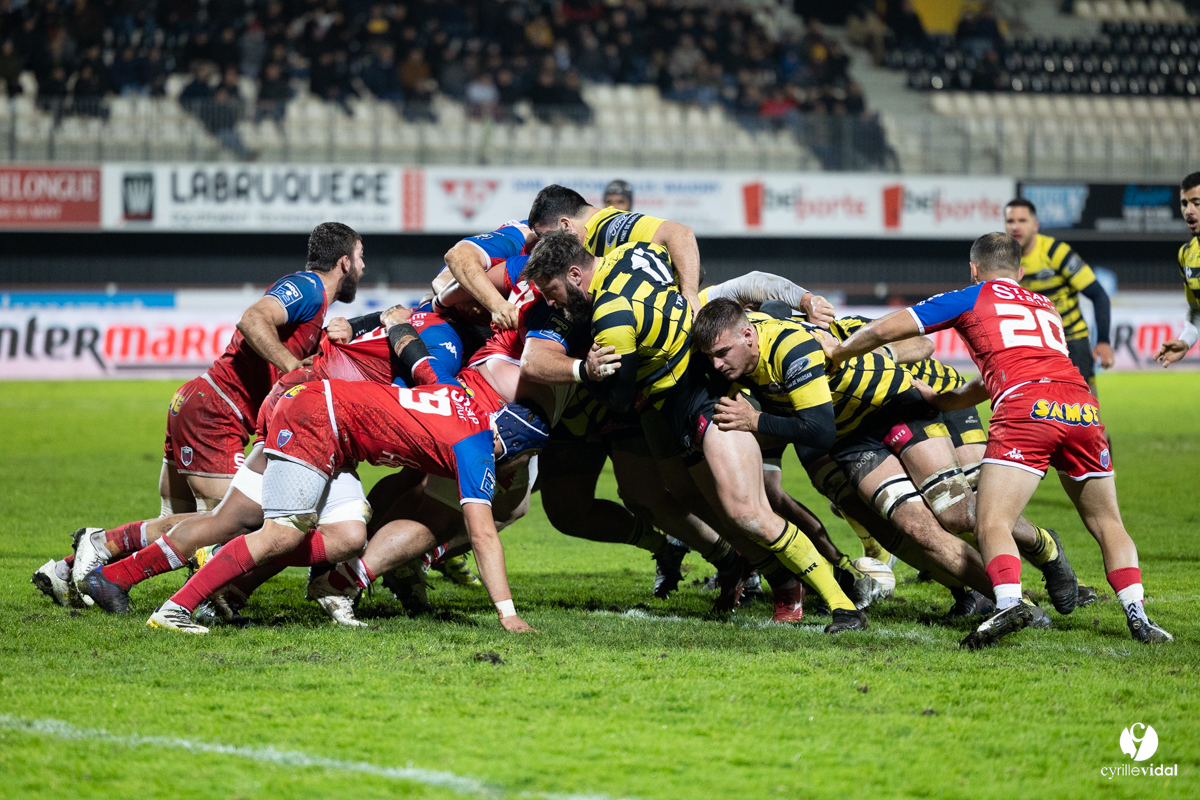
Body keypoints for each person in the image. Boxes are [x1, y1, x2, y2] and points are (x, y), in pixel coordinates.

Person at [823, 232, 1173, 647]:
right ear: (1021, 272)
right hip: (1082, 407)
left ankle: (1009, 602)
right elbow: (1004, 370)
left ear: (974, 270)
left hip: (1027, 409)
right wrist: (948, 400)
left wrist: (839, 353)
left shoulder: (971, 296)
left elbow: (886, 329)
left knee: (991, 521)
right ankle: (1139, 615)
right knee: (1107, 522)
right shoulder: (1047, 307)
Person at [524, 230, 867, 632]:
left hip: (703, 396)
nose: (551, 302)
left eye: (551, 291)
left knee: (748, 511)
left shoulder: (612, 314)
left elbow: (618, 400)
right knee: (693, 497)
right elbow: (675, 236)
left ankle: (841, 602)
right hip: (674, 402)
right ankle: (782, 578)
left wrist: (592, 372)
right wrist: (687, 294)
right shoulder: (634, 252)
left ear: (575, 274)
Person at [145, 335, 548, 635]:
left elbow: (420, 358)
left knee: (348, 536)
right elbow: (482, 535)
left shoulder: (456, 392)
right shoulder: (478, 451)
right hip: (317, 420)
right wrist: (507, 612)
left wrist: (397, 326)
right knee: (278, 535)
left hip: (323, 413)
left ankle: (213, 586)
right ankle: (179, 605)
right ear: (511, 447)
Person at [49, 223, 363, 604]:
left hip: (201, 402)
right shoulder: (310, 287)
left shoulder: (317, 306)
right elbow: (252, 320)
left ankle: (65, 570)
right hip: (216, 411)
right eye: (361, 258)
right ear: (344, 262)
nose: (363, 268)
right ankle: (101, 544)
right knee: (236, 522)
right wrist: (292, 367)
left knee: (194, 526)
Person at [527, 185, 704, 318]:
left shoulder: (606, 229)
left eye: (545, 236)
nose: (546, 244)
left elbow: (680, 233)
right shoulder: (590, 240)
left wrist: (689, 293)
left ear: (565, 225)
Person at [1005, 199, 1113, 396]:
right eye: (1010, 221)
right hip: (1033, 347)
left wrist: (1103, 341)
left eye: (1022, 220)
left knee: (1084, 414)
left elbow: (1098, 295)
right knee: (1038, 413)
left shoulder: (1056, 252)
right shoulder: (1005, 260)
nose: (1015, 226)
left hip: (1071, 342)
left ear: (1035, 225)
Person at [1154, 171, 1200, 367]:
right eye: (1184, 204)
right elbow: (1196, 312)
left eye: (1196, 203)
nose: (1189, 210)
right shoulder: (1186, 254)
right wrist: (1185, 340)